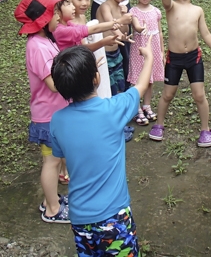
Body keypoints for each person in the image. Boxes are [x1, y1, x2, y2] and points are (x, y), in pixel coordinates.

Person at [50, 35, 156, 256]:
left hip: (79, 217)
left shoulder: (57, 121)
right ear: (97, 78)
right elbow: (141, 86)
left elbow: (61, 155)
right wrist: (148, 58)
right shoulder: (113, 110)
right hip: (114, 216)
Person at [148, 0, 211, 147]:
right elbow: (165, 0)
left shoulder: (198, 10)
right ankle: (159, 125)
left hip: (194, 58)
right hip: (174, 59)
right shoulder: (171, 7)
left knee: (199, 95)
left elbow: (206, 34)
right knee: (167, 95)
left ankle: (205, 129)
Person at [13, 0, 70, 224]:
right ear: (43, 19)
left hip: (54, 114)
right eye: (54, 11)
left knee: (55, 160)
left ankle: (50, 200)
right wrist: (79, 77)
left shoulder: (45, 40)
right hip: (48, 117)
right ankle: (52, 209)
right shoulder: (37, 46)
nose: (59, 15)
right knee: (51, 163)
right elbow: (54, 84)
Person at [128, 0, 165, 126]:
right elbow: (136, 26)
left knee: (149, 80)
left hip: (154, 48)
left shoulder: (156, 11)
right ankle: (136, 109)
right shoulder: (134, 11)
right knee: (138, 79)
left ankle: (147, 105)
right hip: (139, 49)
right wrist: (140, 28)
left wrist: (162, 51)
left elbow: (160, 32)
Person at [51, 0, 132, 51]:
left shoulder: (69, 24)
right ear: (56, 10)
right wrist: (119, 21)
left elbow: (82, 48)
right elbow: (94, 29)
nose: (73, 7)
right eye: (68, 4)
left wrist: (103, 42)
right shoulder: (60, 30)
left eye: (72, 3)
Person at [96, 0, 134, 95]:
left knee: (120, 84)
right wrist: (121, 30)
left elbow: (125, 31)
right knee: (108, 87)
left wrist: (124, 15)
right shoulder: (105, 7)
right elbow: (112, 25)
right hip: (104, 54)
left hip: (116, 53)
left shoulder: (121, 8)